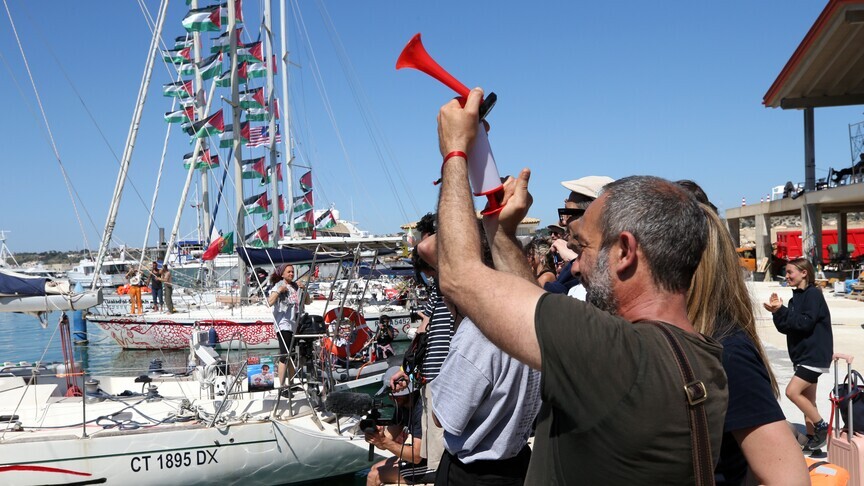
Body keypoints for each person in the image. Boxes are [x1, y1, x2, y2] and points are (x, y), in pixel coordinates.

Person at [434, 88, 727, 484]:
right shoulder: (702, 356)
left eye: (584, 247)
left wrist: (455, 152)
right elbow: (533, 303)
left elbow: (458, 275)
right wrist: (499, 229)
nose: (576, 262)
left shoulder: (610, 351)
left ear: (625, 252)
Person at [688, 204, 808, 485]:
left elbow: (789, 478)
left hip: (809, 356)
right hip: (799, 354)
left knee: (799, 394)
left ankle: (816, 430)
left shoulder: (726, 350)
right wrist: (781, 313)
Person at [431, 311, 541, 485]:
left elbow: (444, 417)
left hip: (473, 471)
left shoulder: (478, 331)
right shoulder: (537, 323)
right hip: (519, 464)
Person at [763, 257, 833, 452]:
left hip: (813, 355)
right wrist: (777, 312)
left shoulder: (813, 295)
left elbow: (805, 323)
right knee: (808, 401)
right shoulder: (795, 299)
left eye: (790, 272)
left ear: (804, 273)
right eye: (786, 272)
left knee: (792, 392)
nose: (786, 276)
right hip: (802, 356)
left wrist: (783, 310)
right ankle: (814, 441)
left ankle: (821, 427)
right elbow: (786, 327)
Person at [367, 367, 426, 486]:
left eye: (393, 393)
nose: (390, 398)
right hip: (421, 459)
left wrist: (383, 441)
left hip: (433, 462)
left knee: (374, 476)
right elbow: (386, 440)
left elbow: (417, 456)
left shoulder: (421, 410)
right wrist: (376, 436)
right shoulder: (402, 406)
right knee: (374, 468)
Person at [268, 264, 312, 392]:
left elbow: (307, 302)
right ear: (282, 274)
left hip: (294, 325)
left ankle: (291, 384)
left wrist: (305, 290)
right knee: (285, 356)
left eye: (292, 272)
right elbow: (269, 302)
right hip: (283, 324)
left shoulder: (295, 287)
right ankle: (282, 387)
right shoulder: (278, 286)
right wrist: (278, 291)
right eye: (289, 272)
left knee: (292, 356)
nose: (291, 274)